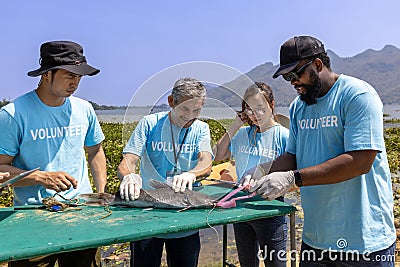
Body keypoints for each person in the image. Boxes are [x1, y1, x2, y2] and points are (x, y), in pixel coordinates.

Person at [247, 36, 396, 265]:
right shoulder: (299, 106)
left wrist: (292, 179)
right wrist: (261, 171)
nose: (293, 82)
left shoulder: (357, 95)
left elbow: (360, 161)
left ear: (317, 65)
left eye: (296, 74)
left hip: (362, 241)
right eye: (287, 77)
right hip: (316, 239)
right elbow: (293, 155)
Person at [0, 41, 107, 267]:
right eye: (69, 75)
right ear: (47, 74)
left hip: (81, 212)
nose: (75, 82)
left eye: (79, 76)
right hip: (32, 218)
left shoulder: (84, 109)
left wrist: (101, 194)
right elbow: (0, 169)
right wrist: (41, 177)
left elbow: (96, 151)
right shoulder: (13, 114)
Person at [117, 77, 213, 267]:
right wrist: (129, 175)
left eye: (197, 110)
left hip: (185, 218)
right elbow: (129, 160)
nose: (190, 116)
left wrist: (192, 174)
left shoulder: (201, 128)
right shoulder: (149, 123)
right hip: (147, 215)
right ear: (171, 102)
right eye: (185, 109)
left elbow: (206, 161)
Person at [214, 82, 289, 267]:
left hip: (270, 209)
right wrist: (235, 125)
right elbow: (218, 155)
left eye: (260, 109)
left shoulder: (283, 135)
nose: (255, 115)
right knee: (247, 262)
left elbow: (292, 172)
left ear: (271, 106)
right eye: (249, 110)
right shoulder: (241, 135)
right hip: (241, 209)